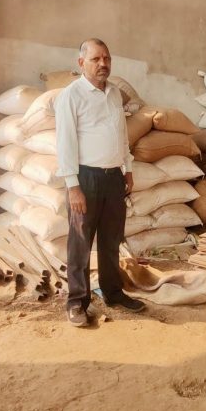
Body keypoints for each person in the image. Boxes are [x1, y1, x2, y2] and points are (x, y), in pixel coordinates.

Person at [55, 38, 145, 328]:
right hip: (85, 178)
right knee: (80, 243)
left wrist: (127, 168)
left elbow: (121, 135)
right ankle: (77, 302)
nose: (103, 64)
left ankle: (113, 292)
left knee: (111, 239)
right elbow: (65, 143)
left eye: (106, 58)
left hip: (113, 177)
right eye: (96, 59)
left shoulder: (115, 93)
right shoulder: (71, 95)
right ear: (81, 63)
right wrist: (73, 186)